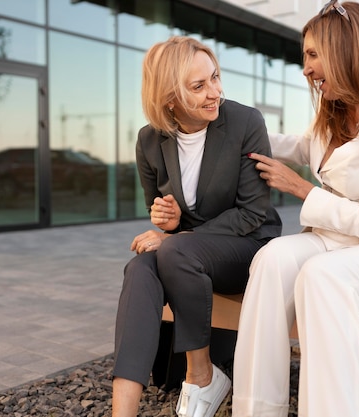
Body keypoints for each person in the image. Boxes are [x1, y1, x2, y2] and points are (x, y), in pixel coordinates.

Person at [231, 2, 359, 417]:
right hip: (333, 240)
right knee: (271, 259)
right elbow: (305, 147)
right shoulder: (334, 105)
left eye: (312, 54)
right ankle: (257, 410)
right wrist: (243, 135)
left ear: (346, 50)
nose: (305, 68)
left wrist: (303, 189)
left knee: (321, 278)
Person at [112, 36, 283, 417]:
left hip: (248, 247)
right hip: (188, 256)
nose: (215, 92)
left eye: (216, 78)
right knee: (138, 269)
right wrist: (169, 222)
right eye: (199, 86)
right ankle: (121, 411)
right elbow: (162, 217)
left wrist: (179, 236)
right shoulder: (149, 141)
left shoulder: (245, 122)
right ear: (170, 98)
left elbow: (253, 212)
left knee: (173, 250)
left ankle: (202, 375)